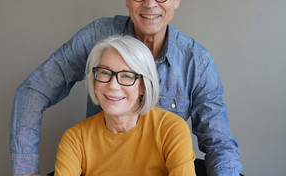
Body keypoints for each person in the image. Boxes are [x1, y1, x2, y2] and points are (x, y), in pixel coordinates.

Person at [10, 0, 242, 176]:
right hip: (99, 165)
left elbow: (219, 143)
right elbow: (33, 91)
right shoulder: (96, 37)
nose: (150, 3)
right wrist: (25, 172)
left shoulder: (197, 63)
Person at [54, 36, 196, 176]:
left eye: (127, 75)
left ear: (143, 86)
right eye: (104, 72)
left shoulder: (171, 129)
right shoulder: (75, 139)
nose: (113, 85)